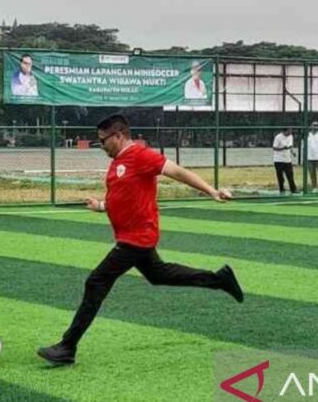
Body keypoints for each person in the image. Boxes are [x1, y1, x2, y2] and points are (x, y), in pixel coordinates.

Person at [37, 114, 243, 366]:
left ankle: (67, 347)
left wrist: (212, 190)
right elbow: (124, 195)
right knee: (159, 274)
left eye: (103, 141)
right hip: (132, 237)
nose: (101, 146)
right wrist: (101, 205)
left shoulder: (142, 156)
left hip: (136, 238)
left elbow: (177, 171)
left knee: (96, 281)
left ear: (119, 136)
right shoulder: (117, 162)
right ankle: (219, 279)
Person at [272, 128, 298, 194]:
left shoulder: (291, 136)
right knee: (280, 176)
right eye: (289, 130)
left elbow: (290, 146)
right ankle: (282, 189)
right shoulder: (278, 137)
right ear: (285, 131)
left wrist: (292, 152)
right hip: (279, 160)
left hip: (287, 160)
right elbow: (274, 148)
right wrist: (282, 148)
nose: (291, 132)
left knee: (290, 175)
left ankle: (293, 189)